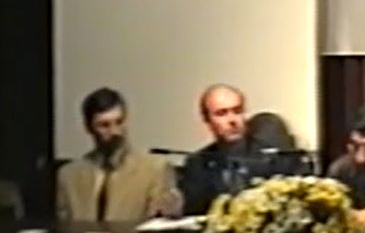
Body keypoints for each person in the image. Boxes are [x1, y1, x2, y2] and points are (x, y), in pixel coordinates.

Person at [56, 87, 178, 222]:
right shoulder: (69, 176)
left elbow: (160, 224)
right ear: (88, 127)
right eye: (104, 125)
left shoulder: (154, 170)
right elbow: (63, 227)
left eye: (119, 122)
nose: (115, 132)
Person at [180, 84, 267, 214]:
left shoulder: (271, 157)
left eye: (237, 111)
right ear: (207, 120)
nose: (232, 120)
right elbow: (194, 213)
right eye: (221, 113)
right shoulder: (198, 164)